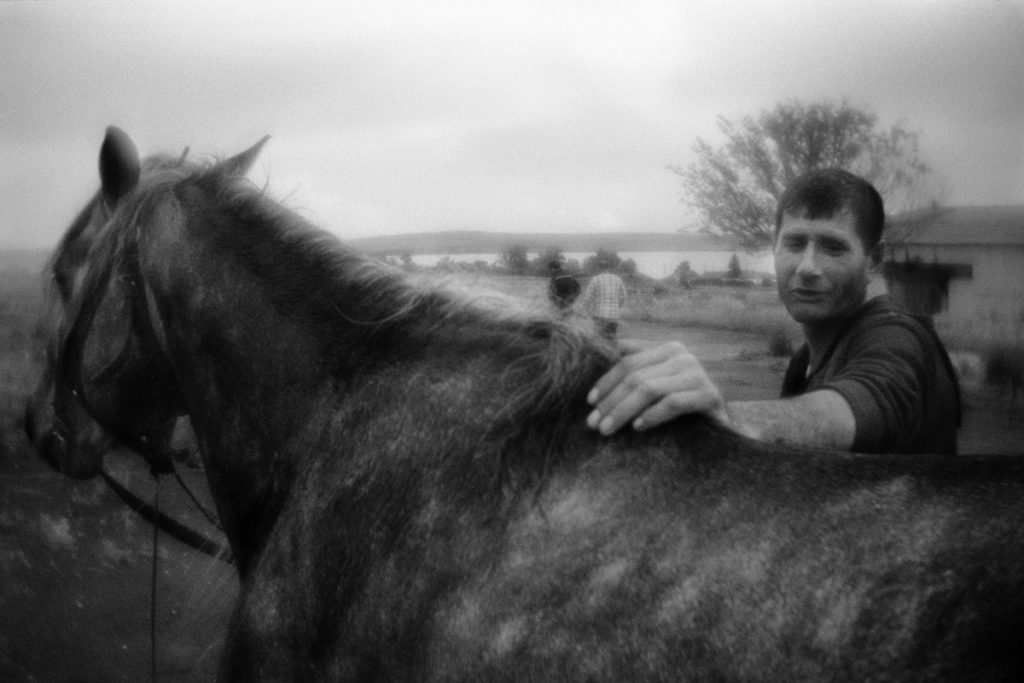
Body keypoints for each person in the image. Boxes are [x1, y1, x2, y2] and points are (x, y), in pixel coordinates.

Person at [586, 168, 960, 455]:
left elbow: (869, 402)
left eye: (833, 247)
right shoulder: (802, 363)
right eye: (795, 243)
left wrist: (727, 419)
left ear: (874, 261)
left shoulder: (897, 335)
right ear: (775, 248)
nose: (807, 266)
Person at [581, 259, 628, 338]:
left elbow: (587, 297)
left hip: (599, 314)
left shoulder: (595, 279)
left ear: (598, 268)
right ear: (608, 268)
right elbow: (624, 296)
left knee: (599, 339)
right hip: (614, 315)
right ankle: (612, 349)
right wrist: (618, 306)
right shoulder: (617, 279)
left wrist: (584, 310)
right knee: (611, 338)